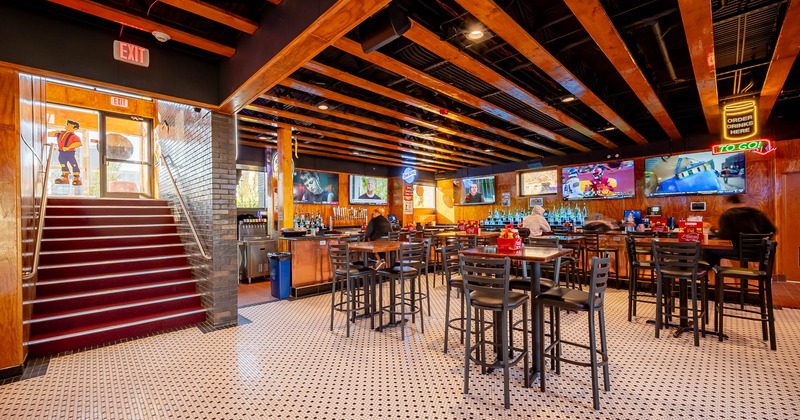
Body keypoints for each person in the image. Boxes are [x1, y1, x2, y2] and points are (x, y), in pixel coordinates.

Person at [705, 194, 776, 267]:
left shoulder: (727, 215)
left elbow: (724, 237)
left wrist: (712, 228)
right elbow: (772, 230)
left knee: (706, 249)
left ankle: (702, 272)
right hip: (759, 252)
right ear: (742, 203)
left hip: (737, 251)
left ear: (728, 204)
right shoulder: (757, 213)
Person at [51, 119, 82, 186]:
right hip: (62, 153)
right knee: (63, 163)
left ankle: (76, 177)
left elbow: (78, 143)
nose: (67, 126)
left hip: (70, 153)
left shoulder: (74, 136)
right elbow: (51, 134)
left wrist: (68, 147)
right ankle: (65, 178)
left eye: (70, 125)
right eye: (67, 125)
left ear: (75, 128)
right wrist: (54, 132)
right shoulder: (60, 133)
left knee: (73, 164)